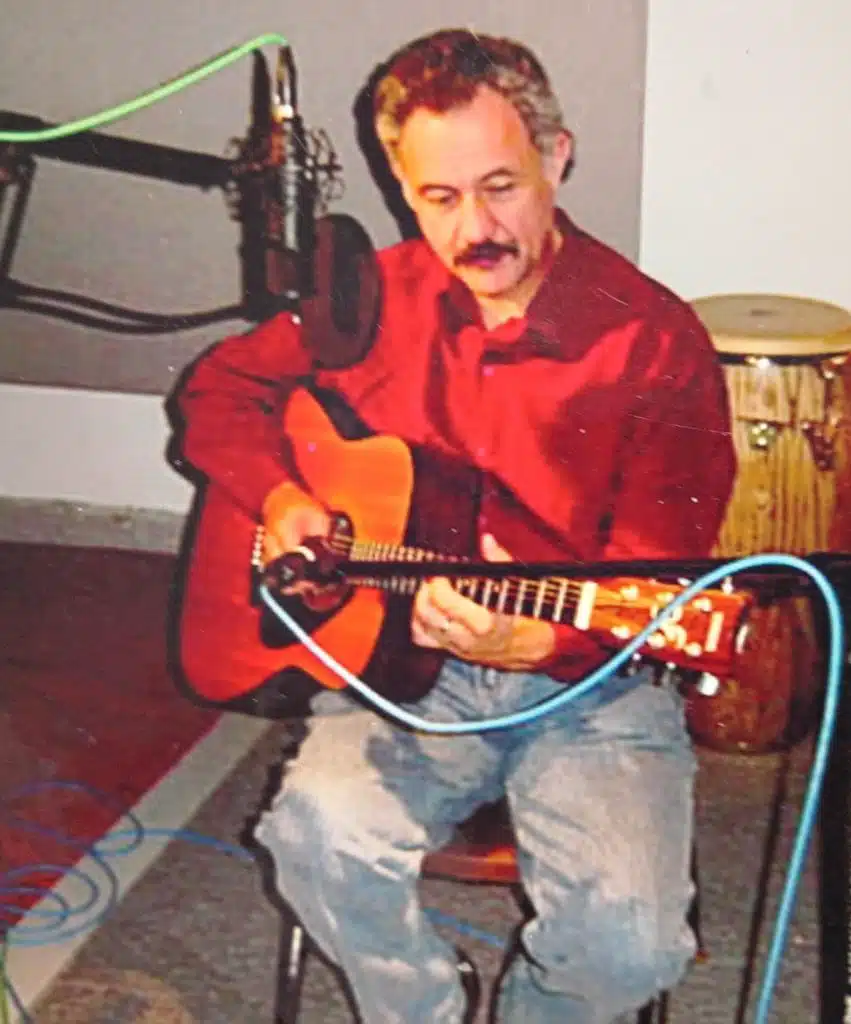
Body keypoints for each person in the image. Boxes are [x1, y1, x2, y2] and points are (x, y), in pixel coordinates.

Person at [170, 27, 737, 1024]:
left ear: (556, 158)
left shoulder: (653, 341)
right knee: (313, 838)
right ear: (400, 188)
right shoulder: (370, 298)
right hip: (397, 665)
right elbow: (218, 391)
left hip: (589, 680)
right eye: (437, 197)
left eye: (500, 186)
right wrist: (284, 499)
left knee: (630, 945)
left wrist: (540, 641)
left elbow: (659, 576)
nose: (474, 227)